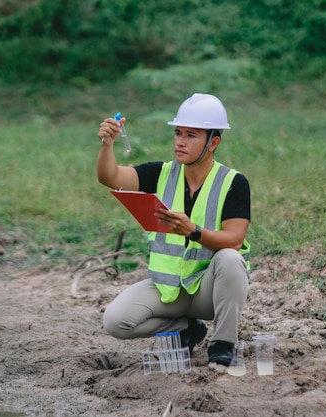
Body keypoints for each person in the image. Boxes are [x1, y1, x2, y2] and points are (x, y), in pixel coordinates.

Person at [96, 93, 251, 366]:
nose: (180, 141)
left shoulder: (233, 182)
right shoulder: (161, 173)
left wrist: (194, 231)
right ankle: (187, 328)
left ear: (214, 142)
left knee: (230, 258)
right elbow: (110, 177)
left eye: (191, 135)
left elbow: (235, 239)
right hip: (169, 290)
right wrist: (108, 145)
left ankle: (223, 343)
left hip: (209, 292)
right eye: (178, 133)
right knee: (115, 321)